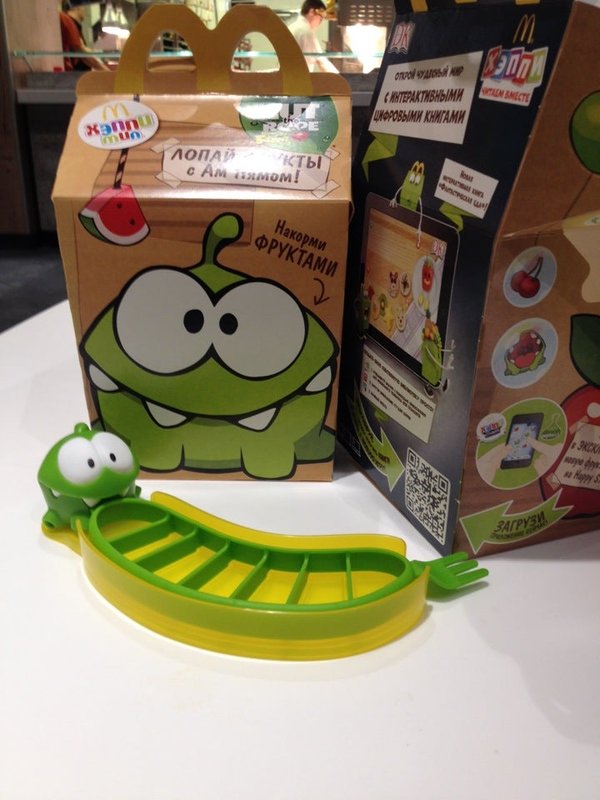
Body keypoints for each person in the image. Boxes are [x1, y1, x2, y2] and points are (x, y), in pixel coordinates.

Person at [288, 0, 338, 74]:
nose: (320, 22)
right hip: (299, 78)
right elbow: (321, 62)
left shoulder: (291, 27)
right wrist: (340, 78)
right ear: (311, 12)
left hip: (289, 77)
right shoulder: (306, 31)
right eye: (321, 18)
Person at [59, 0, 110, 71]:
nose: (85, 10)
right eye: (84, 6)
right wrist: (105, 71)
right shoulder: (66, 20)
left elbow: (81, 47)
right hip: (73, 74)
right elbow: (81, 50)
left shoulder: (73, 24)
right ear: (77, 7)